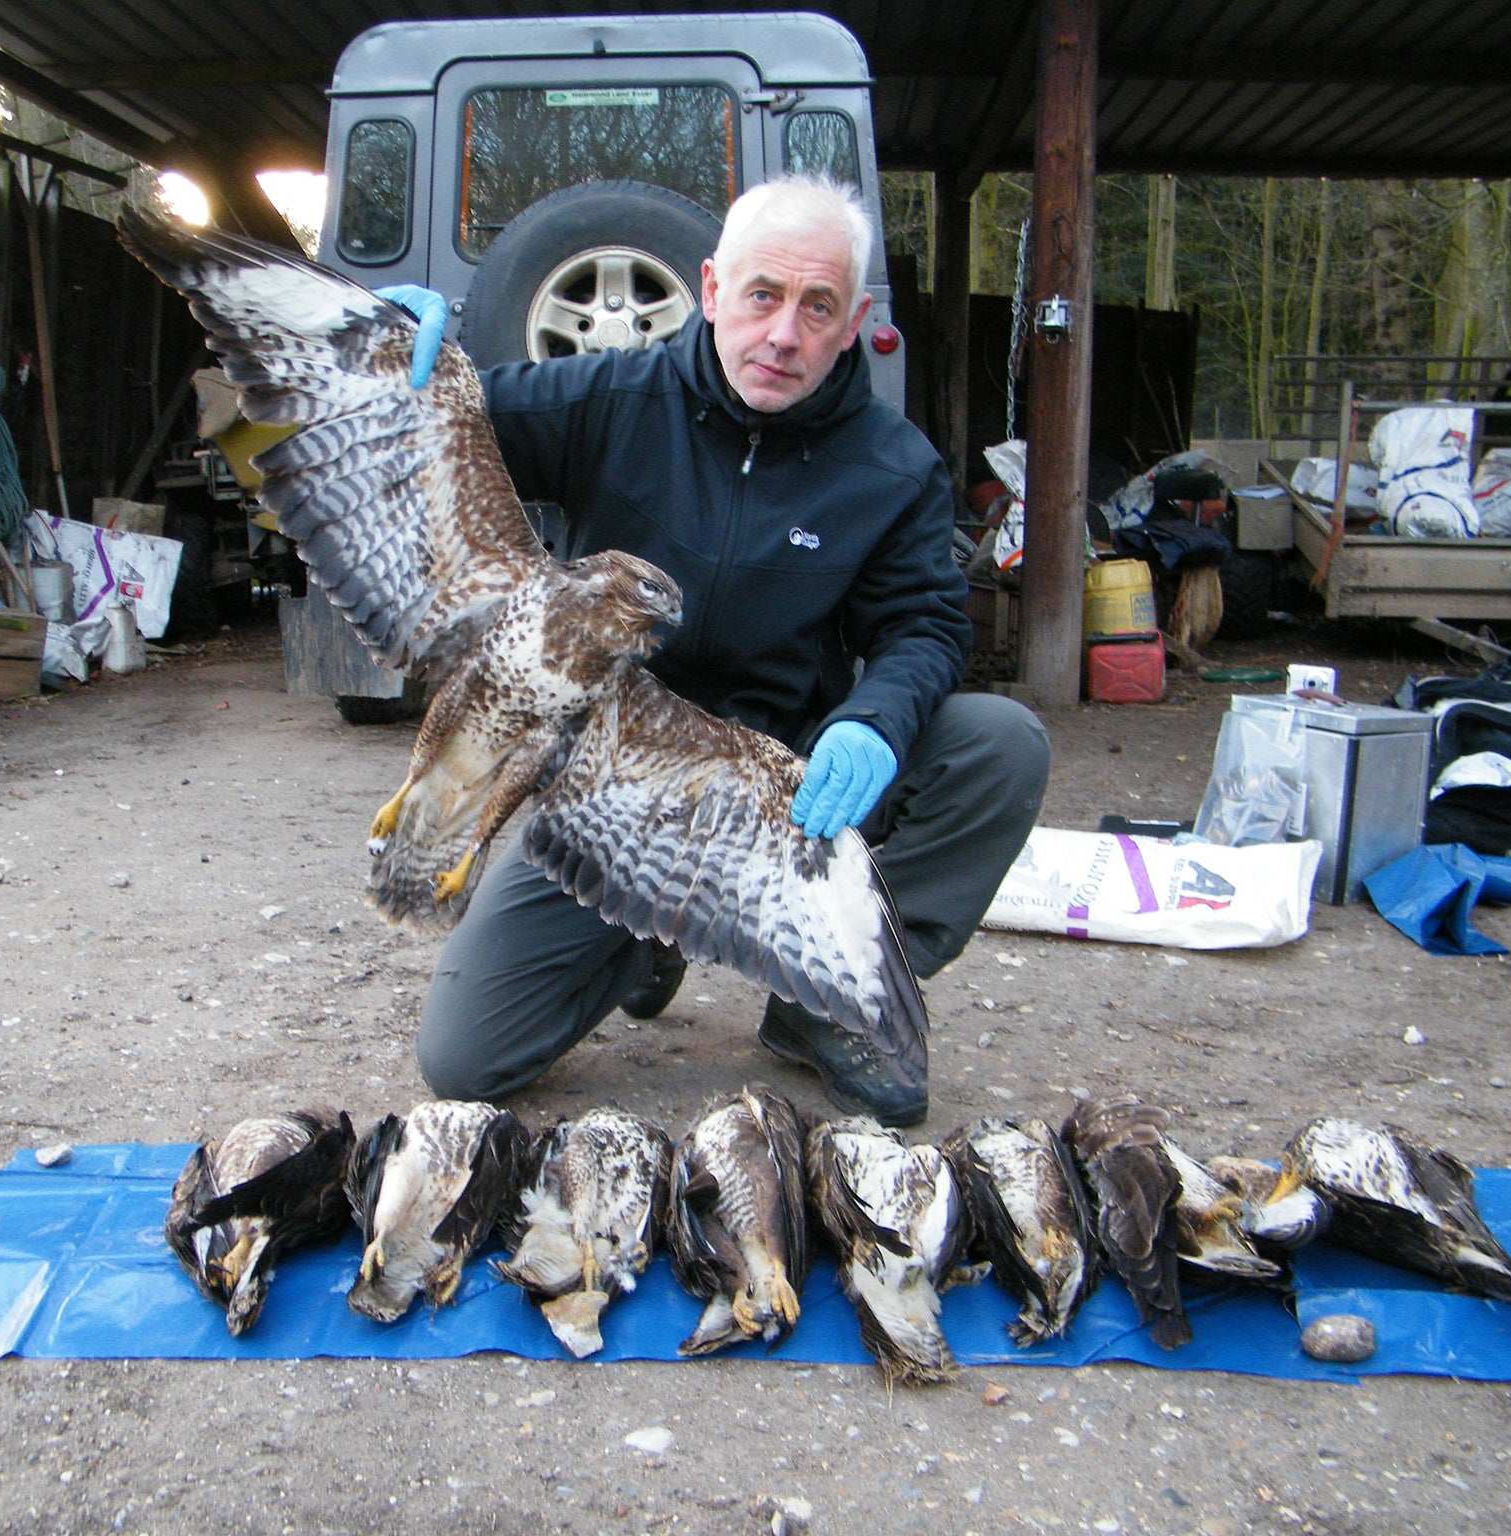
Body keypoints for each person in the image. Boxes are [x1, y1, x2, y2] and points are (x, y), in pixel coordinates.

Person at [382, 175, 1048, 1126]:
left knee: (999, 745)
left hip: (790, 780)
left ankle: (825, 1006)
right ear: (710, 289)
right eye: (763, 295)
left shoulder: (894, 467)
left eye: (817, 307)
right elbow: (447, 423)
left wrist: (872, 722)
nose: (783, 334)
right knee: (463, 1061)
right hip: (616, 784)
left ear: (853, 320)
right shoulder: (611, 394)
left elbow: (926, 627)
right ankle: (645, 931)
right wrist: (389, 347)